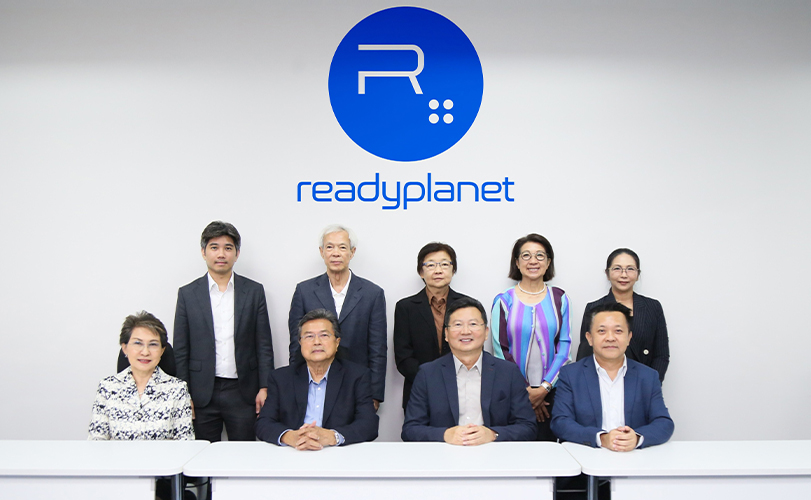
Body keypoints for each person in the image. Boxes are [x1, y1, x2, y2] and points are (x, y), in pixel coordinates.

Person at [173, 221, 274, 442]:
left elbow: (263, 344)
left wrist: (265, 386)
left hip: (243, 391)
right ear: (203, 252)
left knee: (244, 454)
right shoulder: (187, 294)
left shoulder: (254, 291)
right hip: (201, 392)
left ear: (237, 254)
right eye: (214, 247)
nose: (221, 254)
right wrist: (182, 393)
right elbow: (181, 349)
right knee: (202, 455)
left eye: (228, 248)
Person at [401, 297, 537, 444]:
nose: (465, 331)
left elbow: (528, 427)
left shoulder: (508, 372)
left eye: (473, 324)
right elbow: (410, 430)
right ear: (446, 334)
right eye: (458, 325)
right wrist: (445, 435)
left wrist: (493, 434)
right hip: (445, 453)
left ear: (486, 332)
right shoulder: (427, 373)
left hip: (493, 452)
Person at [288, 224, 387, 409]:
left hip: (357, 384)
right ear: (321, 252)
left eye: (342, 247)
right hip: (314, 382)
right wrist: (295, 385)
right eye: (329, 247)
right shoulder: (304, 291)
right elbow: (296, 343)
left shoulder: (372, 293)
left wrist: (374, 394)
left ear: (352, 252)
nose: (335, 253)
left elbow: (378, 349)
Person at [551, 303, 674, 450]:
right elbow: (560, 423)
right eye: (602, 331)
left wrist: (636, 438)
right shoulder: (571, 375)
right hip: (587, 456)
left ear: (629, 337)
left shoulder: (647, 376)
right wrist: (601, 438)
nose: (610, 338)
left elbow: (664, 423)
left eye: (618, 331)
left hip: (633, 457)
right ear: (589, 338)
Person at [256, 309, 379, 449]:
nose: (316, 342)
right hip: (294, 451)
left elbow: (369, 424)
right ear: (300, 343)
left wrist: (333, 436)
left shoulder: (357, 376)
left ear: (337, 342)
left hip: (337, 452)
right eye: (309, 336)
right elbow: (263, 423)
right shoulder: (281, 378)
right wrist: (290, 436)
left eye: (324, 335)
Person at [490, 233, 572, 441]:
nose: (533, 261)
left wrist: (544, 389)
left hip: (553, 392)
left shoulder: (560, 299)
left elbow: (564, 347)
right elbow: (500, 350)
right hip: (512, 392)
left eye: (539, 255)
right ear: (517, 263)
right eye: (526, 255)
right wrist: (526, 391)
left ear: (548, 262)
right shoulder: (504, 300)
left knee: (549, 448)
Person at [89, 311, 193, 440]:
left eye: (153, 344)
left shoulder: (177, 389)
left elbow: (185, 444)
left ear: (162, 350)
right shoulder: (108, 387)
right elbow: (97, 442)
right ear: (125, 348)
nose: (145, 352)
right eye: (138, 343)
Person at [394, 242, 469, 409]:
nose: (438, 270)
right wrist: (430, 380)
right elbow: (403, 357)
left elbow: (473, 349)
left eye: (444, 264)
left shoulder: (467, 305)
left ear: (453, 270)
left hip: (461, 390)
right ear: (421, 272)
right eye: (431, 265)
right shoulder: (405, 307)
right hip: (419, 391)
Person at [576, 248, 670, 382]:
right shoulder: (594, 308)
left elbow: (661, 355)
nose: (624, 275)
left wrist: (651, 385)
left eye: (630, 269)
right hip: (603, 384)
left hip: (643, 383)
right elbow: (586, 355)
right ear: (607, 274)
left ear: (638, 274)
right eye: (617, 269)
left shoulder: (652, 307)